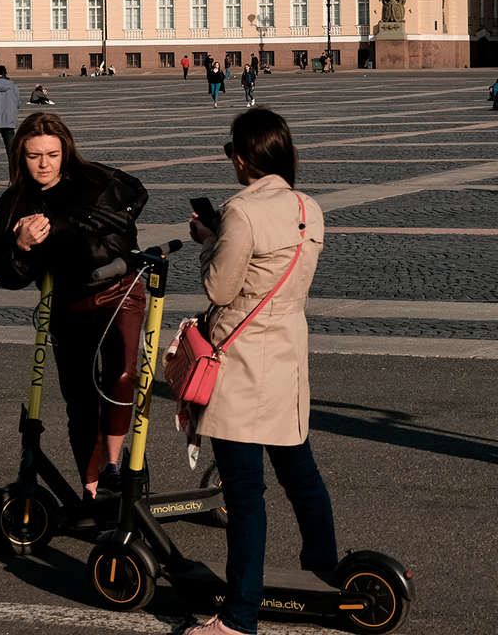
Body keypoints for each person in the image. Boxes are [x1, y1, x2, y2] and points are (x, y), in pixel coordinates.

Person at [185, 109, 335, 635]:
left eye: (231, 150)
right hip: (288, 353)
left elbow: (220, 290)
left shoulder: (240, 212)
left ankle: (239, 616)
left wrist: (208, 241)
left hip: (242, 360)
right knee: (301, 476)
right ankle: (325, 572)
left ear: (244, 157)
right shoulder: (308, 207)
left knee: (245, 495)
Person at [0, 112, 149, 499]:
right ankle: (91, 490)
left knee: (121, 376)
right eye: (34, 156)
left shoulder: (94, 181)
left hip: (116, 292)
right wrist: (21, 245)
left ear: (66, 152)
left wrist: (59, 230)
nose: (44, 164)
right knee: (78, 396)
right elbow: (3, 272)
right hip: (65, 301)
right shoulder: (15, 203)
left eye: (52, 154)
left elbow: (118, 239)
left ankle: (113, 466)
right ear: (20, 158)